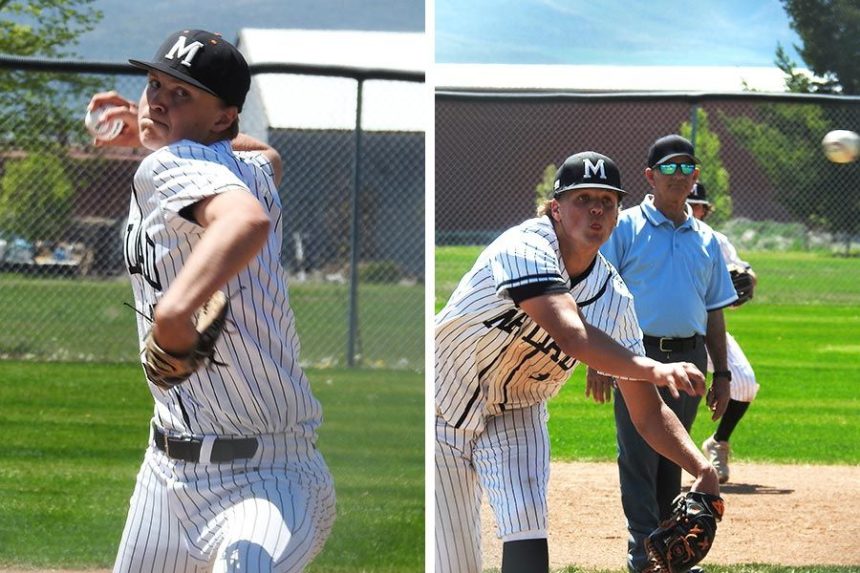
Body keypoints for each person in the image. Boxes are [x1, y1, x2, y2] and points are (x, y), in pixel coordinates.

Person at [88, 29, 335, 572]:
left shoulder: (165, 168)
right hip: (168, 477)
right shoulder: (244, 167)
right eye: (155, 84)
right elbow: (268, 155)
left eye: (182, 94)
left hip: (266, 482)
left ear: (224, 118)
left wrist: (174, 315)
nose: (157, 99)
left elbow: (246, 221)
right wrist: (155, 131)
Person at [435, 151, 721, 573]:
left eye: (607, 201)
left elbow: (648, 414)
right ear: (555, 208)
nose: (596, 209)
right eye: (582, 198)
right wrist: (655, 368)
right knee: (455, 561)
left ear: (618, 212)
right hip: (443, 405)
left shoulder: (613, 297)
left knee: (526, 522)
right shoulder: (525, 245)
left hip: (518, 409)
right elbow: (571, 334)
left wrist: (700, 468)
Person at [588, 135, 737, 573]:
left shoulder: (707, 240)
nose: (678, 175)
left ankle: (671, 552)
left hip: (690, 357)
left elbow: (714, 313)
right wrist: (599, 360)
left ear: (695, 176)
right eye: (668, 168)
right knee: (638, 457)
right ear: (650, 176)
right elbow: (597, 292)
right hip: (636, 353)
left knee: (675, 454)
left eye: (685, 167)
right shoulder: (627, 228)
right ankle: (641, 555)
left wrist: (724, 374)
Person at [687, 182, 760, 484]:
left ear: (705, 210)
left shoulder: (715, 240)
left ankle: (718, 442)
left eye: (698, 205)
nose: (692, 209)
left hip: (710, 329)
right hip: (663, 328)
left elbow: (744, 273)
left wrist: (748, 281)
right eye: (688, 203)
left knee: (744, 384)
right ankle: (657, 458)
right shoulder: (647, 235)